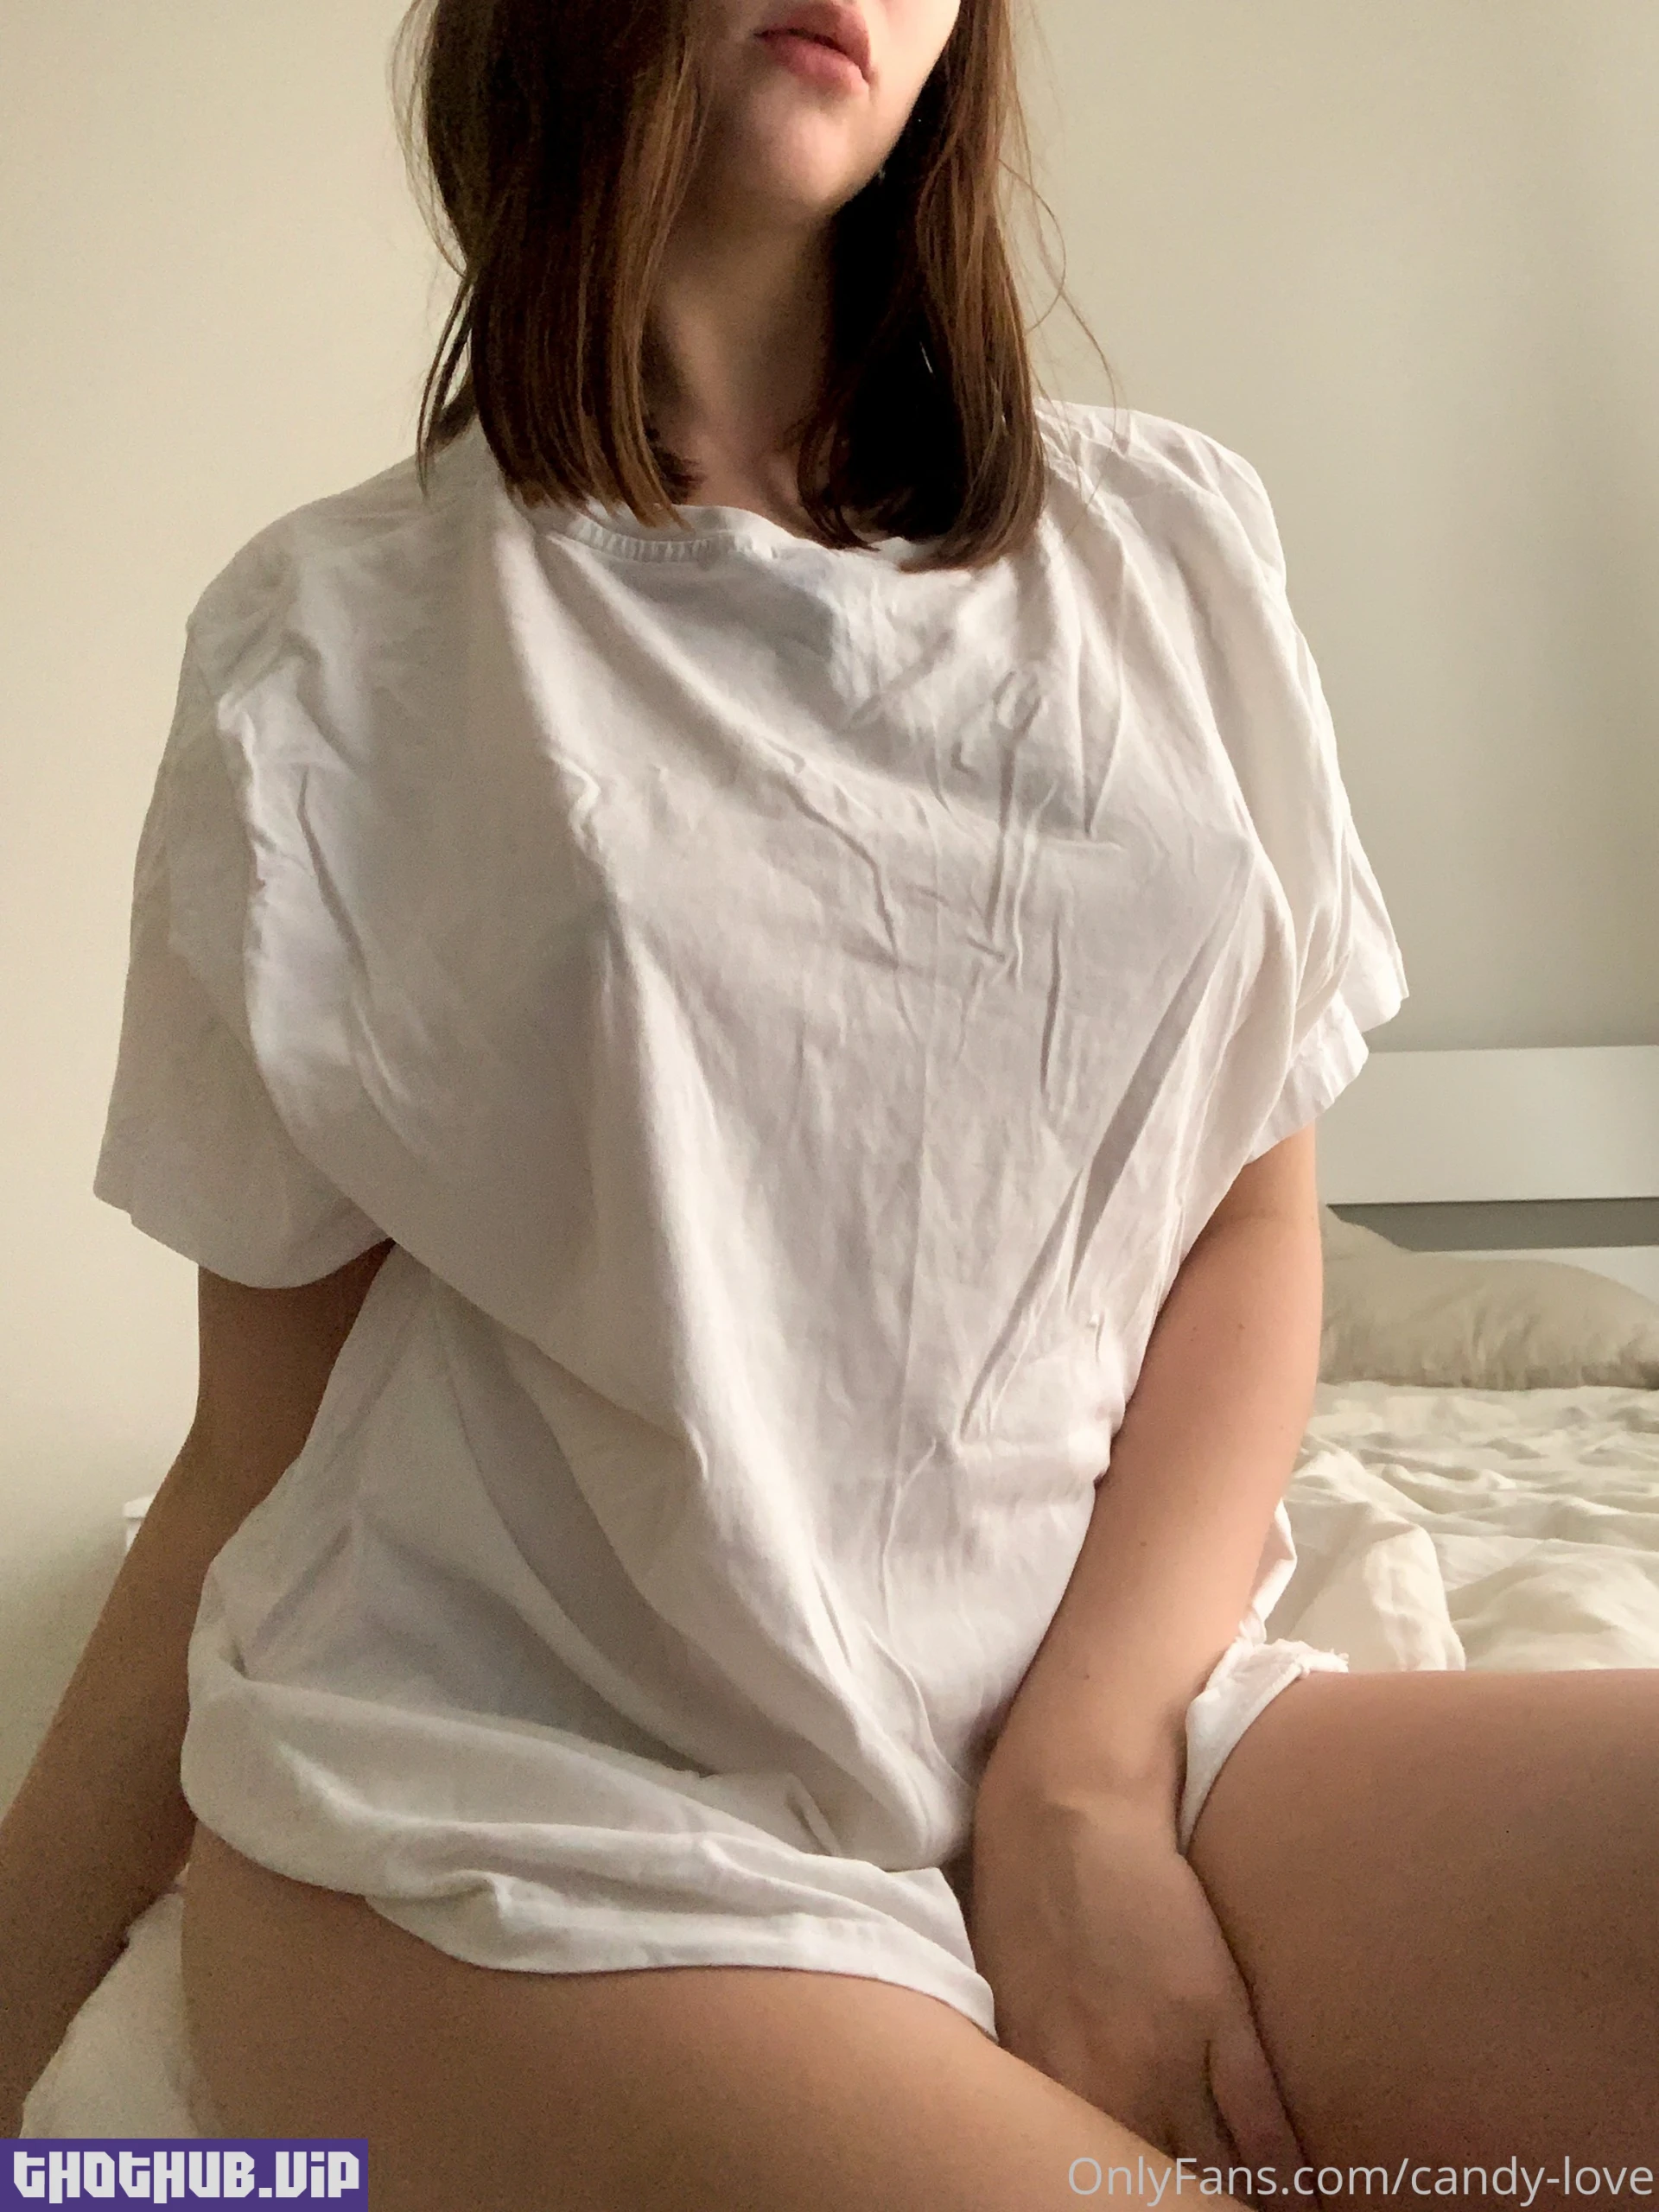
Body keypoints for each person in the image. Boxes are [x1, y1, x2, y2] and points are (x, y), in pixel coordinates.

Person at [3, 0, 1656, 2202]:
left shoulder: (1169, 547)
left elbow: (1248, 1219)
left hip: (1114, 1717)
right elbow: (255, 1447)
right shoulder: (330, 649)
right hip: (527, 1804)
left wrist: (1080, 1770)